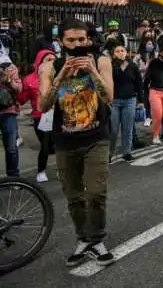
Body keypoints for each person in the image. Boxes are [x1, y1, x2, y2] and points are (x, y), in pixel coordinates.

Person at [38, 18, 116, 266]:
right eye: (70, 40)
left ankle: (97, 238)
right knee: (73, 196)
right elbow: (43, 105)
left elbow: (109, 97)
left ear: (88, 40)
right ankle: (84, 238)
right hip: (65, 142)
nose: (77, 44)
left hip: (96, 138)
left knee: (95, 193)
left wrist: (92, 71)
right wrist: (61, 74)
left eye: (81, 39)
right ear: (61, 41)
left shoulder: (102, 61)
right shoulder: (49, 67)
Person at [16, 49, 57, 182]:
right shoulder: (30, 79)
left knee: (61, 144)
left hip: (59, 114)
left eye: (53, 60)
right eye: (48, 60)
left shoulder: (61, 76)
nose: (52, 63)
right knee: (45, 144)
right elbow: (21, 99)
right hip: (41, 116)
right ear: (39, 62)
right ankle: (41, 171)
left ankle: (62, 169)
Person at [109, 44, 143, 162]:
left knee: (127, 128)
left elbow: (139, 83)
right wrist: (120, 64)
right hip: (114, 101)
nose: (120, 53)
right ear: (113, 54)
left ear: (126, 53)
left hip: (130, 100)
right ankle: (109, 153)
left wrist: (141, 100)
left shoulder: (133, 66)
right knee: (113, 129)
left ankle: (126, 152)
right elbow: (113, 78)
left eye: (122, 50)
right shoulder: (111, 66)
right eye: (117, 51)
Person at [0, 54, 22, 177]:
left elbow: (19, 88)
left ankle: (13, 176)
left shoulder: (9, 66)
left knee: (11, 148)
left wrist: (8, 80)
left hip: (8, 111)